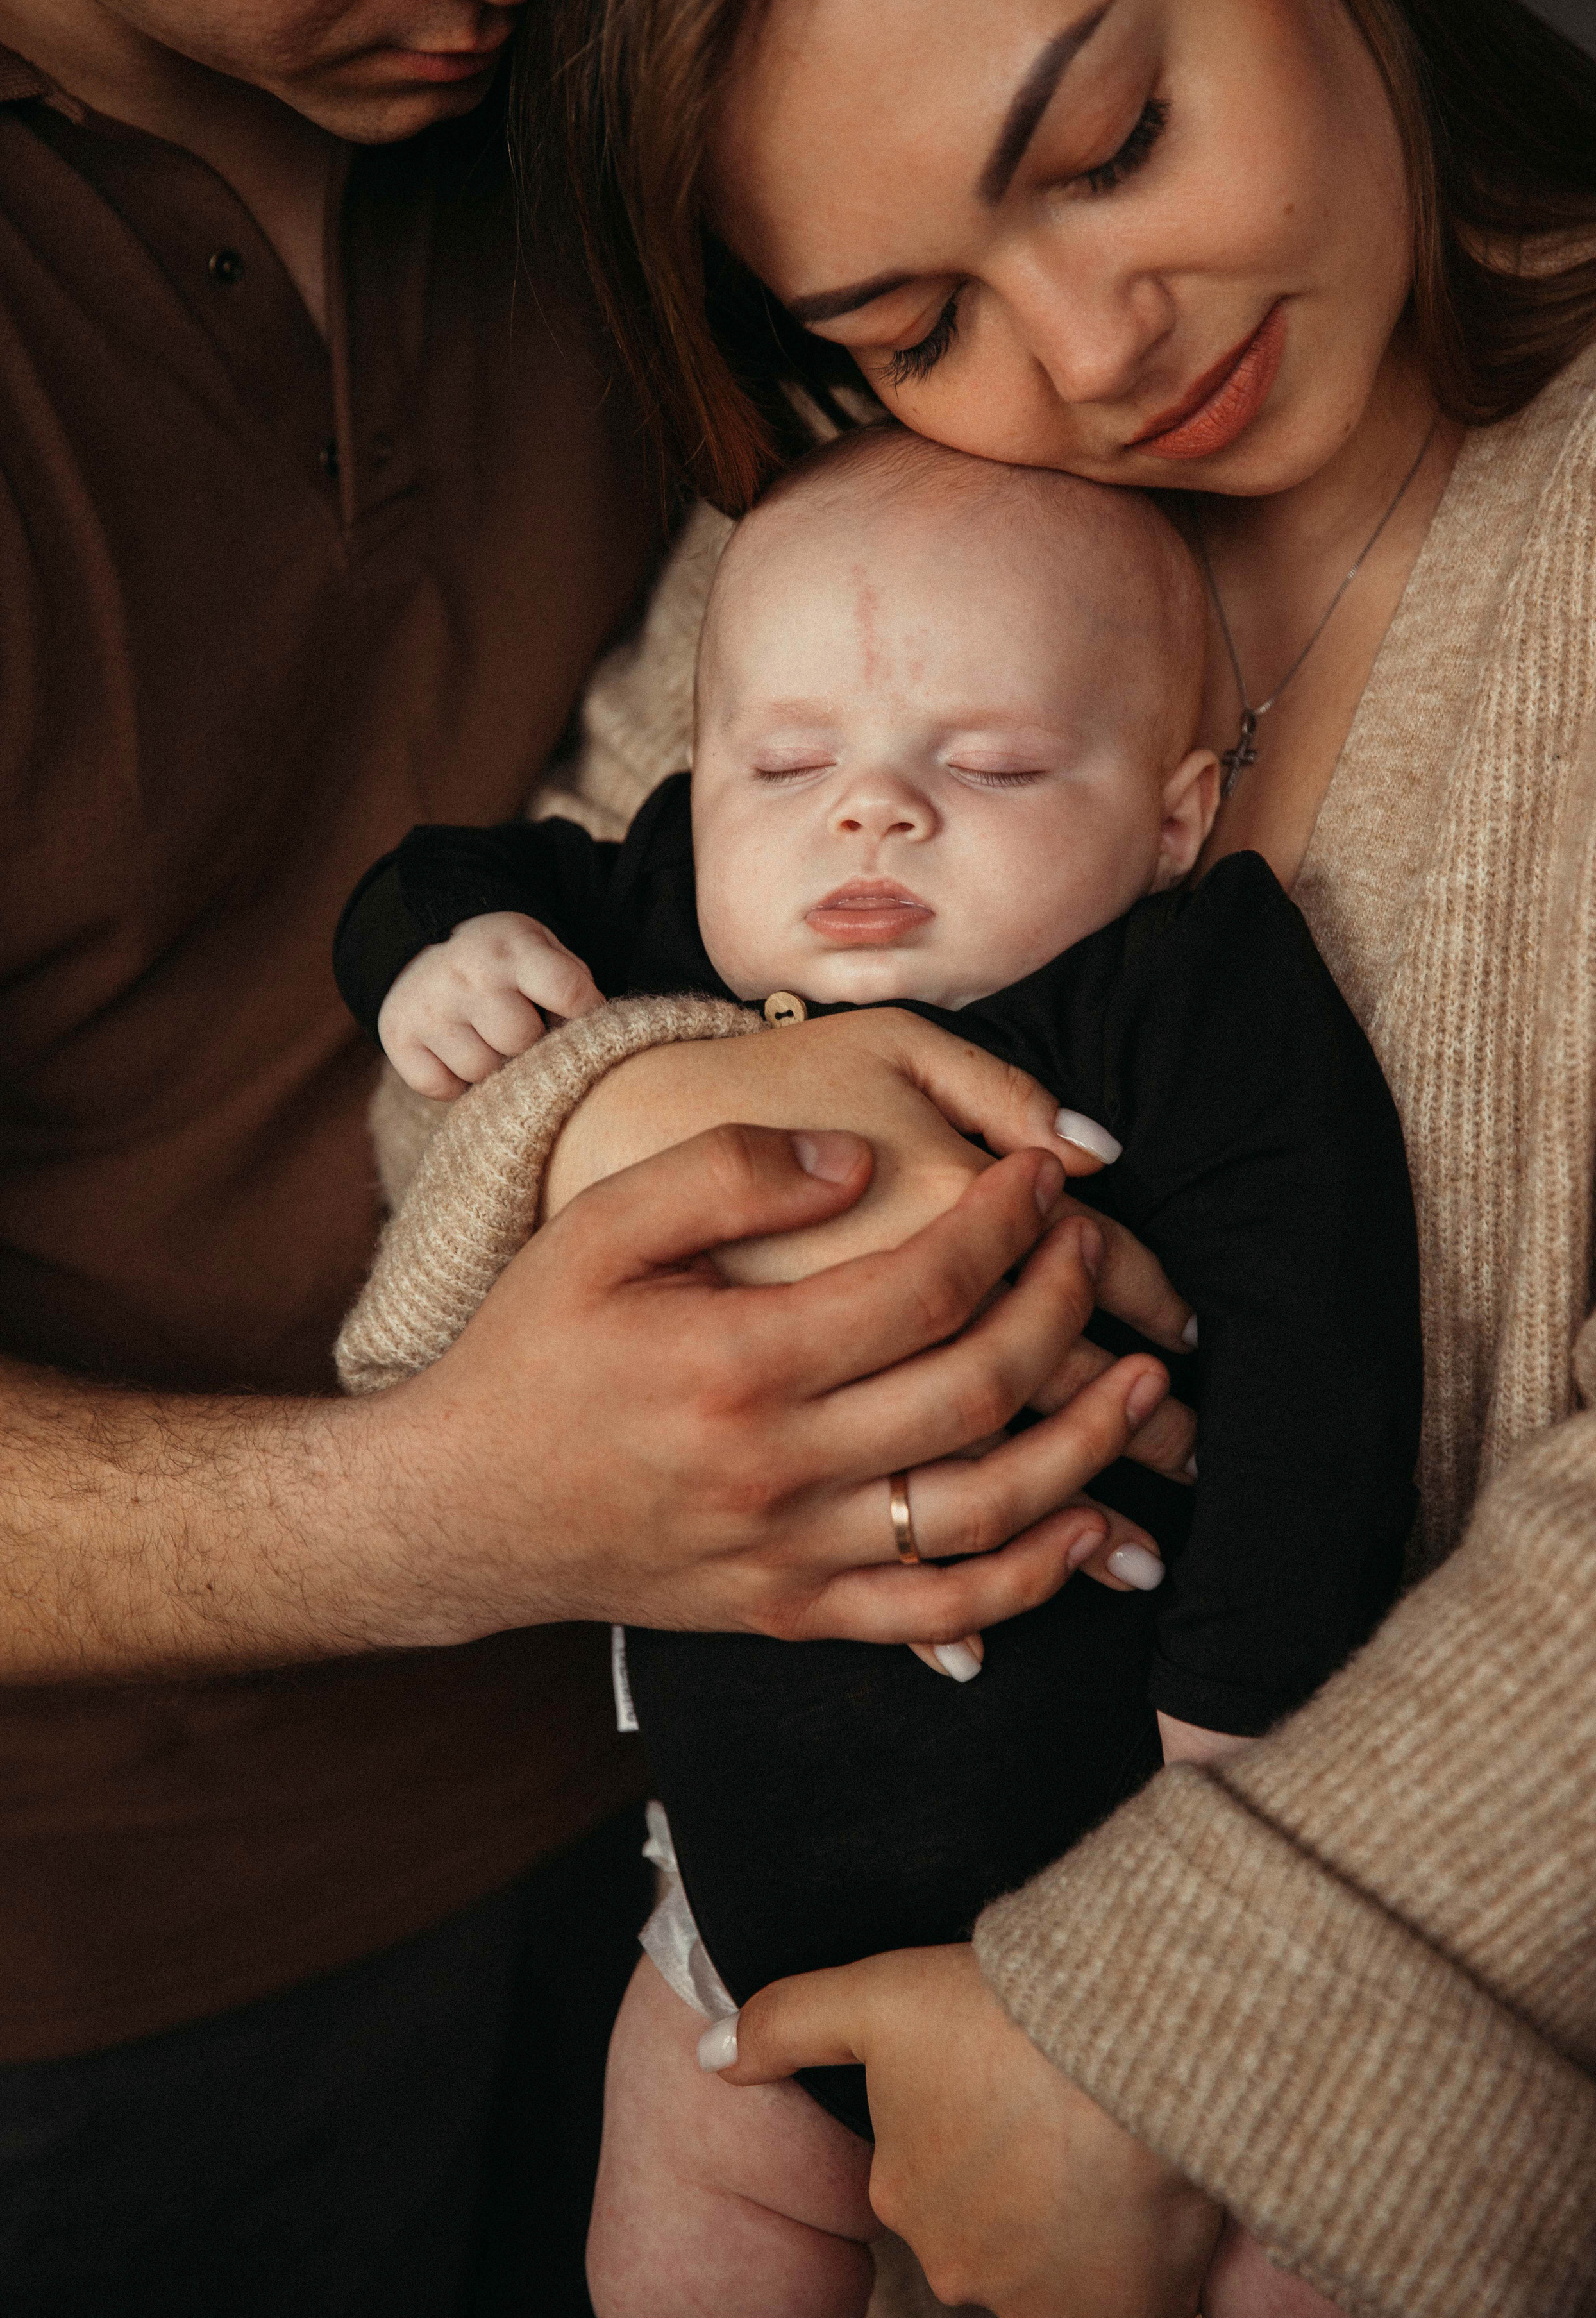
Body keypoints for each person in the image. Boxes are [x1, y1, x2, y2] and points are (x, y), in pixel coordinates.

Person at [345, 0, 1596, 2309]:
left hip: (1419, 2130)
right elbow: (458, 1090)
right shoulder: (881, 523)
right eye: (912, 312)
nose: (1094, 343)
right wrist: (615, 1107)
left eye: (1119, 135)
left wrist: (1157, 2023)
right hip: (798, 1995)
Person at [0, 0, 1186, 2312]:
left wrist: (630, 1090)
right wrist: (439, 1511)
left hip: (766, 1791)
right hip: (144, 1971)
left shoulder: (667, 78)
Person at [335, 425, 1422, 2318]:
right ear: (707, 783)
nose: (869, 817)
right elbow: (436, 873)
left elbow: (1328, 1352)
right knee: (675, 2233)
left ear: (1170, 820)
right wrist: (442, 952)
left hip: (1111, 1899)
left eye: (989, 766)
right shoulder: (669, 912)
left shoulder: (1182, 991)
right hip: (734, 1939)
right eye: (787, 763)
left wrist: (1241, 1733)